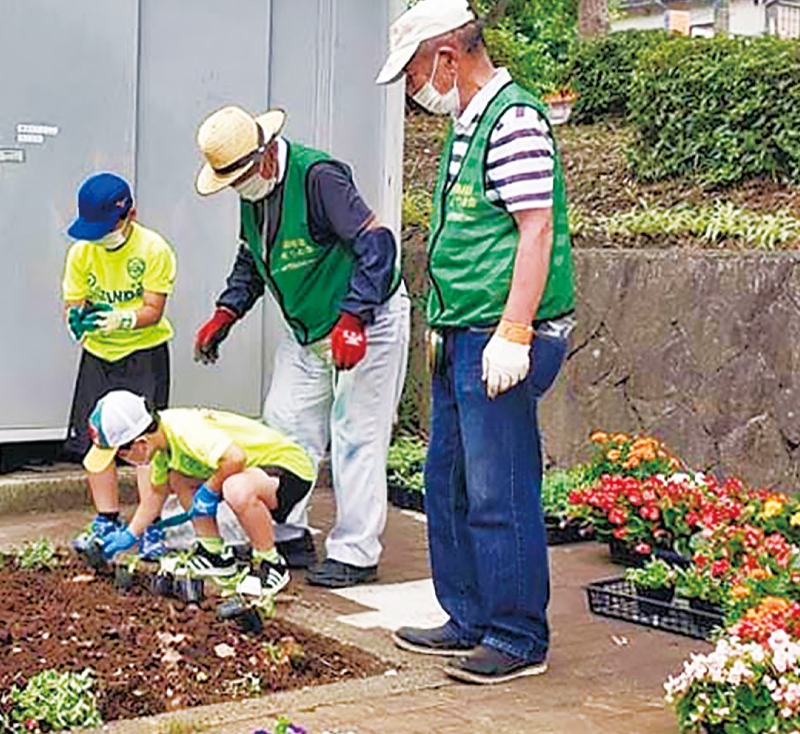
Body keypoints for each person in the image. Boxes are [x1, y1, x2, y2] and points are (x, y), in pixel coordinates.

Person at [375, 0, 576, 684]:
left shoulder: (514, 119)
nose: (412, 91)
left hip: (501, 335)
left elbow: (535, 230)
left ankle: (518, 636)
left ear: (447, 58)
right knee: (449, 479)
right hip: (462, 330)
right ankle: (469, 614)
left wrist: (516, 330)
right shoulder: (468, 122)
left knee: (500, 487)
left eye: (411, 75)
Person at [191, 105, 410, 588]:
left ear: (267, 155)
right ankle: (286, 531)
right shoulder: (255, 193)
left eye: (242, 176)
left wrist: (355, 317)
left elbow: (377, 244)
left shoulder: (318, 177)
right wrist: (226, 313)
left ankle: (356, 551)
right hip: (307, 329)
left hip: (365, 318)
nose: (238, 187)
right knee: (285, 428)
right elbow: (251, 260)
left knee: (356, 435)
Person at [84, 390, 317, 595]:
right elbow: (155, 496)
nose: (122, 462)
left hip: (287, 471)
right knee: (179, 477)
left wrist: (209, 490)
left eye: (120, 456)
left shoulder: (185, 431)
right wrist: (130, 534)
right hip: (253, 473)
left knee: (235, 488)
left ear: (140, 443)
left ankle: (271, 563)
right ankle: (213, 553)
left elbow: (236, 458)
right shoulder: (163, 445)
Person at [62, 172, 177, 560]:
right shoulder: (82, 252)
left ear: (130, 215)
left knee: (146, 444)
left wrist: (122, 319)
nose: (97, 238)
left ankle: (150, 527)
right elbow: (73, 303)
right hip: (99, 356)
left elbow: (153, 309)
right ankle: (106, 519)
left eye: (104, 229)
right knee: (97, 439)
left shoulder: (154, 249)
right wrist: (76, 322)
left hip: (144, 354)